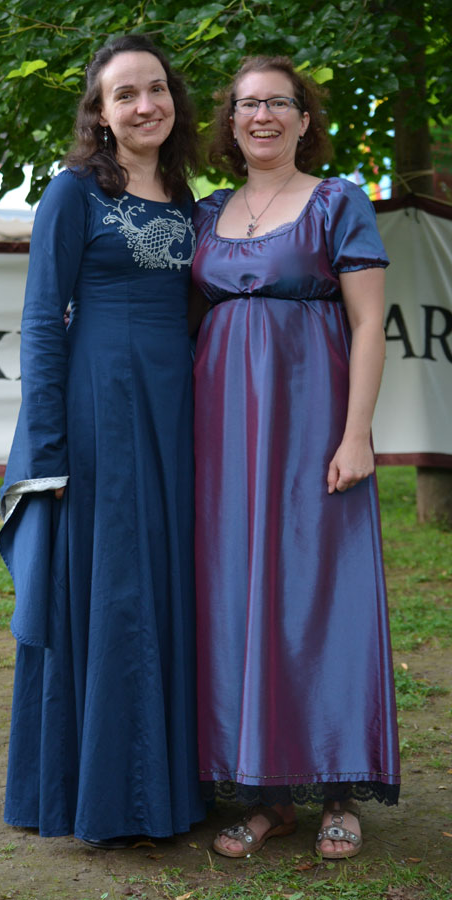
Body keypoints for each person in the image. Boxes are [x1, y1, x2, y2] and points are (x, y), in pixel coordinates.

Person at [0, 34, 205, 848]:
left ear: (174, 100)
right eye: (126, 94)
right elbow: (41, 320)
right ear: (101, 112)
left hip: (174, 414)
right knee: (109, 585)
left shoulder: (190, 198)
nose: (146, 105)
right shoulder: (73, 193)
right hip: (99, 414)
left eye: (157, 89)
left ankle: (165, 786)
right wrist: (48, 447)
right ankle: (102, 794)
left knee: (164, 581)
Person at [190, 55, 400, 860]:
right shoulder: (206, 213)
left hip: (313, 420)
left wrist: (356, 433)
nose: (263, 116)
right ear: (231, 122)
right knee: (237, 595)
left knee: (321, 592)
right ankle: (265, 795)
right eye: (248, 104)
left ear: (305, 119)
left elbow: (370, 324)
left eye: (279, 103)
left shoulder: (337, 201)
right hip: (221, 434)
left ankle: (338, 789)